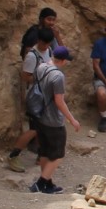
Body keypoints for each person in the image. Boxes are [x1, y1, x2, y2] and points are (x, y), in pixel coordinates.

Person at [5, 12, 61, 172]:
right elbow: (26, 76)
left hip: (46, 95)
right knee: (35, 129)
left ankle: (41, 156)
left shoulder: (48, 51)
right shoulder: (32, 56)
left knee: (44, 127)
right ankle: (13, 156)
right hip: (36, 97)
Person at [25, 44, 82, 195]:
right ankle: (40, 183)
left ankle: (48, 184)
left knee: (45, 151)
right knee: (57, 154)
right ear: (62, 61)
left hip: (40, 116)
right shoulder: (58, 76)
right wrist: (72, 119)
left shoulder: (41, 67)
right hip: (53, 120)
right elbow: (59, 101)